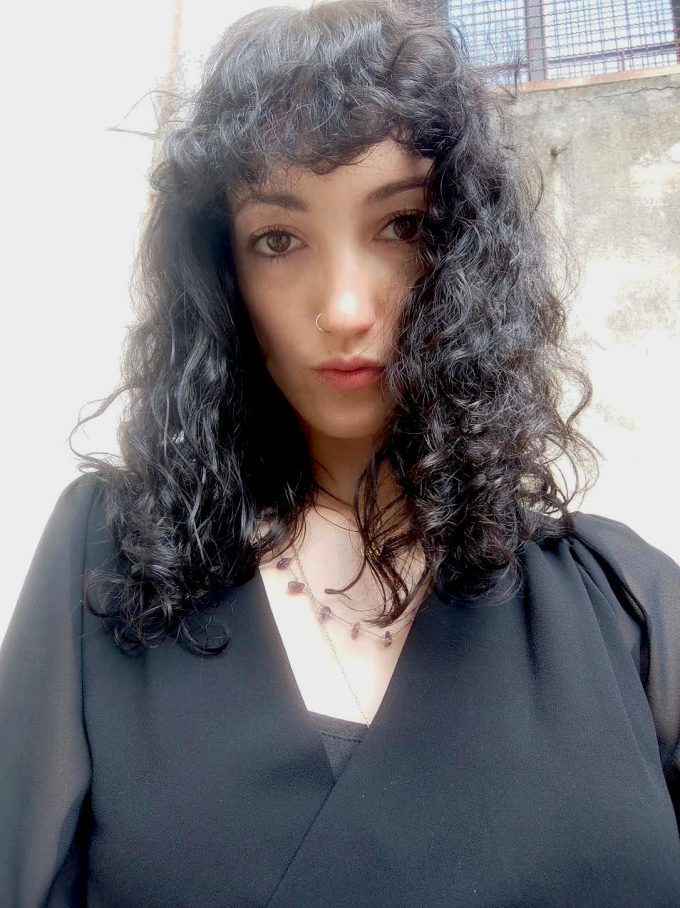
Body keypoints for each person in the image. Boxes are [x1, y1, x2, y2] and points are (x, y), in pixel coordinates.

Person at [1, 0, 679, 904]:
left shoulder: (628, 603)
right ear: (225, 275)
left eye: (403, 226)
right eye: (278, 240)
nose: (346, 308)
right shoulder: (107, 563)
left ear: (465, 251)